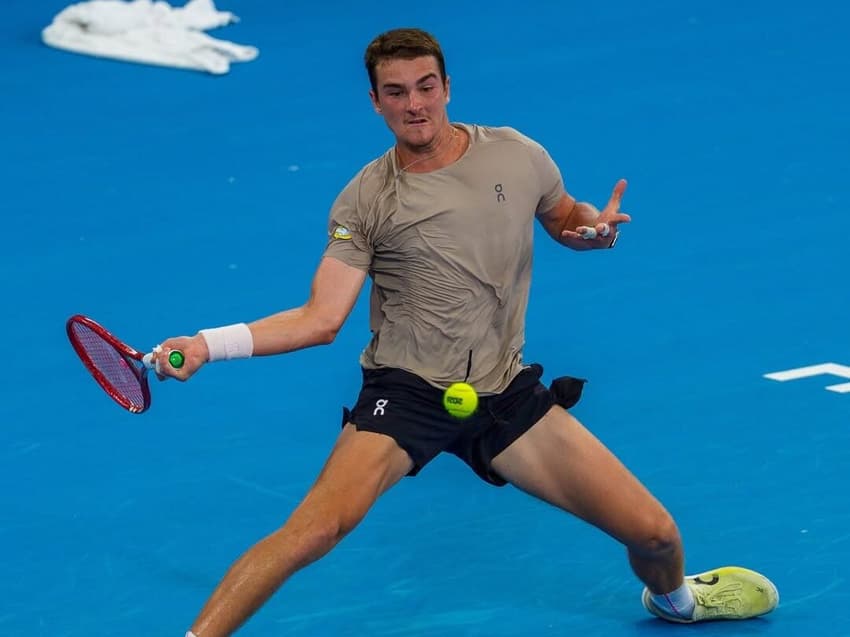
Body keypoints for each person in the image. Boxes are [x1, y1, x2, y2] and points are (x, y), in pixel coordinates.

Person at [152, 27, 779, 637]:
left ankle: (676, 603)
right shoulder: (366, 200)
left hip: (504, 393)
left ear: (448, 86)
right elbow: (320, 319)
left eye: (425, 86)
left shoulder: (517, 153)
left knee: (656, 534)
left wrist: (591, 230)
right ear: (375, 103)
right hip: (409, 394)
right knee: (314, 530)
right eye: (395, 92)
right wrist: (208, 344)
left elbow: (563, 217)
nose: (414, 104)